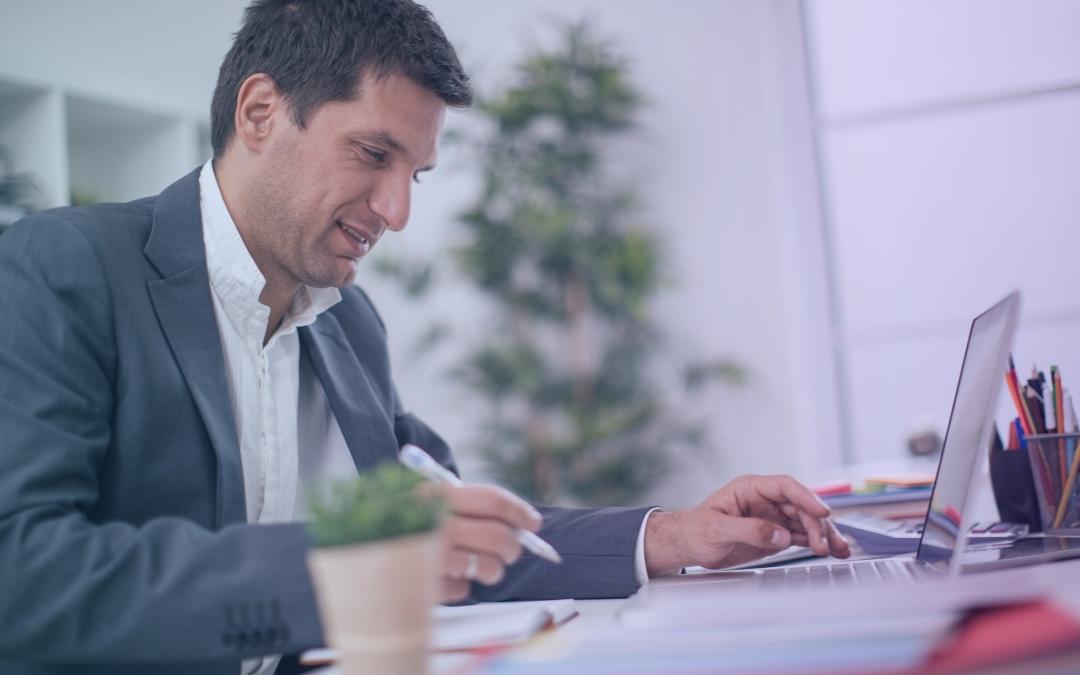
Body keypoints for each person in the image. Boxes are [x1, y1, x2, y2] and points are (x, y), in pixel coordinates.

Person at [0, 1, 849, 673]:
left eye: (415, 174)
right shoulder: (63, 270)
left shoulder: (348, 323)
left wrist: (667, 535)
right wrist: (347, 566)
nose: (397, 211)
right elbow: (25, 571)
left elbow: (453, 539)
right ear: (260, 112)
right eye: (373, 153)